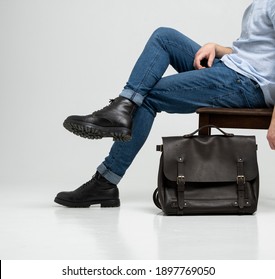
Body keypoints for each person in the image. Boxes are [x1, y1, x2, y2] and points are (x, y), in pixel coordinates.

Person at [54, 0, 275, 208]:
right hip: (232, 70)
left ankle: (106, 179)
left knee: (146, 95)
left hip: (247, 84)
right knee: (164, 37)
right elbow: (258, 51)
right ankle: (124, 106)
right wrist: (218, 48)